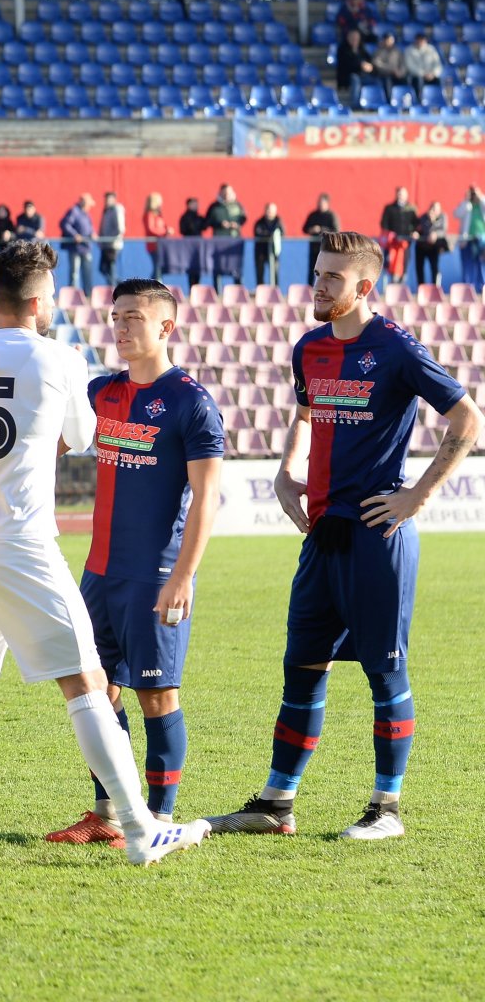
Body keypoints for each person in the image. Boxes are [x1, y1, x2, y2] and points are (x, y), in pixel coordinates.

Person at [0, 240, 211, 868]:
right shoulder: (60, 358)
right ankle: (142, 832)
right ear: (39, 300)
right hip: (23, 544)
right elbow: (84, 437)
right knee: (87, 683)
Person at [206, 232, 481, 843]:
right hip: (322, 536)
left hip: (378, 534)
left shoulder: (397, 350)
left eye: (333, 277)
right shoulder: (309, 349)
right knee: (301, 665)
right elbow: (303, 416)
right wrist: (285, 472)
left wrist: (420, 495)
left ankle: (387, 809)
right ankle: (276, 803)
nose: (319, 285)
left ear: (364, 288)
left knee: (384, 671)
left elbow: (467, 418)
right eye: (318, 273)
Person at [45, 280, 224, 848]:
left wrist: (182, 576)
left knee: (158, 696)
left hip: (154, 576)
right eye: (116, 317)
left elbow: (207, 497)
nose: (121, 328)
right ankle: (110, 812)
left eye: (134, 319)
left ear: (166, 326)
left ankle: (160, 817)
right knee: (97, 690)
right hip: (97, 574)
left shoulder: (190, 401)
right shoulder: (100, 393)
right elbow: (48, 446)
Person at [380, 187, 417, 287]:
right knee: (391, 264)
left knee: (404, 264)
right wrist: (390, 234)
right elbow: (384, 224)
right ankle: (392, 285)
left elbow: (416, 224)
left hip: (405, 243)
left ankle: (402, 285)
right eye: (399, 194)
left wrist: (414, 232)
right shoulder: (389, 208)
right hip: (393, 243)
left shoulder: (411, 209)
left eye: (403, 194)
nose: (401, 196)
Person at [60, 194, 95, 289]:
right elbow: (65, 224)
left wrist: (92, 233)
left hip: (86, 247)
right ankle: (73, 295)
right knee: (74, 273)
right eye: (88, 204)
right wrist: (74, 235)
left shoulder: (86, 214)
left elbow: (90, 227)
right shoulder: (74, 211)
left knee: (87, 272)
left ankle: (87, 295)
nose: (89, 207)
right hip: (75, 248)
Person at [415, 202, 450, 289]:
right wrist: (416, 233)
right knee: (419, 268)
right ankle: (421, 288)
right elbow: (419, 229)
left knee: (434, 268)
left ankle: (435, 289)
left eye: (436, 209)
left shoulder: (443, 217)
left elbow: (443, 230)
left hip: (434, 247)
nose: (434, 211)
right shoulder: (424, 217)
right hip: (422, 246)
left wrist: (435, 231)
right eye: (433, 209)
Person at [177, 195, 208, 287]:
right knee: (190, 268)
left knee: (198, 268)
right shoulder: (185, 217)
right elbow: (182, 230)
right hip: (188, 247)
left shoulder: (199, 217)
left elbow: (205, 225)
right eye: (194, 204)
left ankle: (197, 287)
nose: (196, 206)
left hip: (199, 246)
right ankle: (192, 288)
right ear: (189, 205)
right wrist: (191, 228)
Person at [335, 29, 374, 100]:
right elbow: (346, 64)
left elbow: (369, 59)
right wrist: (360, 65)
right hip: (347, 76)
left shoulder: (361, 48)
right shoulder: (342, 49)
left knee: (375, 80)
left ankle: (373, 101)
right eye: (353, 38)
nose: (355, 40)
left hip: (362, 74)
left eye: (357, 38)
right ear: (348, 38)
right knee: (355, 79)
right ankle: (355, 104)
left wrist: (369, 65)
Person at [98, 191, 126, 286]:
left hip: (113, 245)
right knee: (103, 269)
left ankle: (115, 287)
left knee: (111, 267)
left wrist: (112, 239)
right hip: (106, 245)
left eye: (108, 198)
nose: (106, 201)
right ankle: (119, 284)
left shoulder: (116, 209)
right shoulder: (106, 210)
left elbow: (120, 228)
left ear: (114, 199)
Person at [459, 185, 485, 288]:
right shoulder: (467, 205)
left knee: (481, 264)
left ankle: (482, 287)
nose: (474, 195)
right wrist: (466, 200)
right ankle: (467, 288)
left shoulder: (482, 204)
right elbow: (457, 213)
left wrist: (480, 196)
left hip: (482, 240)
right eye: (472, 193)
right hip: (468, 239)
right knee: (468, 264)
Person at [404, 33, 444, 99]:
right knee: (419, 80)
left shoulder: (431, 49)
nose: (420, 42)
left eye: (422, 40)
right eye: (418, 40)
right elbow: (410, 66)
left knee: (438, 80)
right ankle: (419, 100)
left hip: (431, 75)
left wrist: (433, 73)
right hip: (417, 76)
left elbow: (437, 64)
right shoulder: (409, 50)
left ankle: (438, 99)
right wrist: (423, 74)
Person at [253, 203, 284, 286]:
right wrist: (269, 234)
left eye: (272, 211)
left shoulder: (278, 222)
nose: (270, 212)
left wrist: (271, 235)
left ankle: (275, 289)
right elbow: (257, 232)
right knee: (260, 272)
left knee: (275, 271)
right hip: (261, 251)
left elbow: (282, 232)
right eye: (268, 210)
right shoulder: (260, 222)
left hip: (273, 251)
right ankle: (261, 289)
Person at [142, 192, 170, 279]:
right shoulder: (149, 214)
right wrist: (164, 232)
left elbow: (162, 225)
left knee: (159, 267)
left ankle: (155, 284)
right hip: (154, 245)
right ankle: (153, 286)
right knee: (157, 267)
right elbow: (151, 228)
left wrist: (167, 230)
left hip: (161, 244)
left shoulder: (158, 214)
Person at [371, 33, 407, 99]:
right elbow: (377, 64)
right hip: (384, 75)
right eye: (387, 40)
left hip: (397, 75)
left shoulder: (397, 51)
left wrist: (400, 73)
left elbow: (402, 64)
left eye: (391, 40)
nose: (389, 42)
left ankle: (407, 101)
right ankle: (389, 101)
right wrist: (392, 70)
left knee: (408, 79)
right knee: (387, 80)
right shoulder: (378, 51)